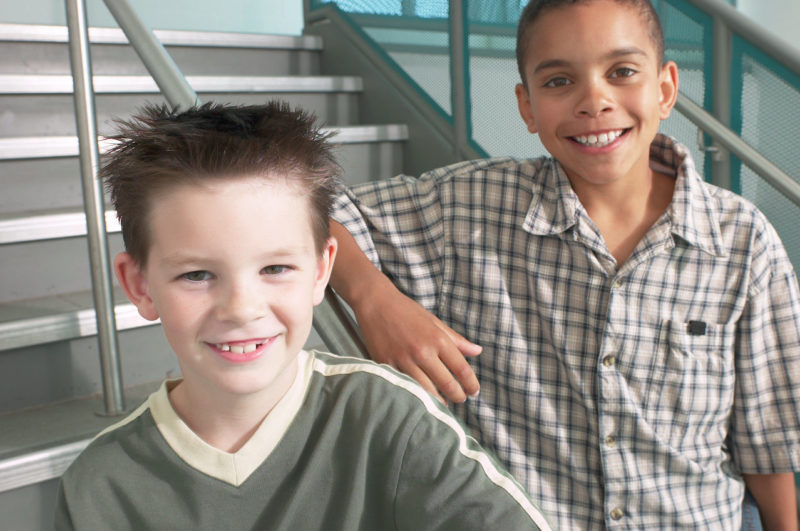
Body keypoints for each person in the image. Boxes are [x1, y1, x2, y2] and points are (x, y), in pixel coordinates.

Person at [328, 0, 800, 528]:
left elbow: (768, 446)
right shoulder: (466, 212)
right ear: (527, 106)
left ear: (665, 89)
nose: (594, 101)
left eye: (622, 71)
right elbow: (309, 208)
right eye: (558, 81)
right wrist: (375, 300)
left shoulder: (743, 241)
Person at [53, 101, 552, 530]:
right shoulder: (99, 485)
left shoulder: (389, 419)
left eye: (275, 268)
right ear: (140, 286)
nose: (242, 308)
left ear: (321, 271)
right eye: (197, 275)